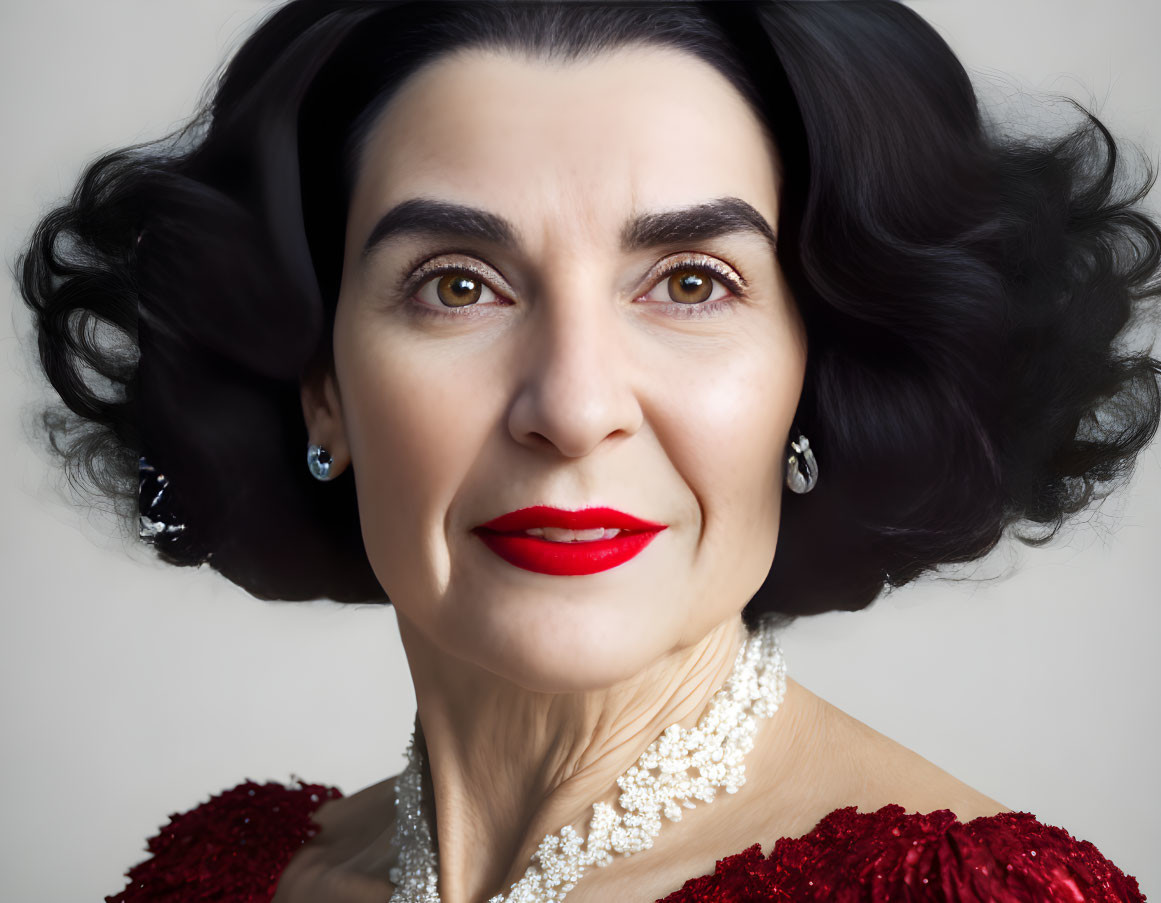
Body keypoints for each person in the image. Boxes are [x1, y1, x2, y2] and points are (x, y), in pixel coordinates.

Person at [12, 0, 1160, 900]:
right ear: (322, 390)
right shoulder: (217, 881)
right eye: (459, 285)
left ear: (821, 372)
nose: (572, 406)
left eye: (692, 284)